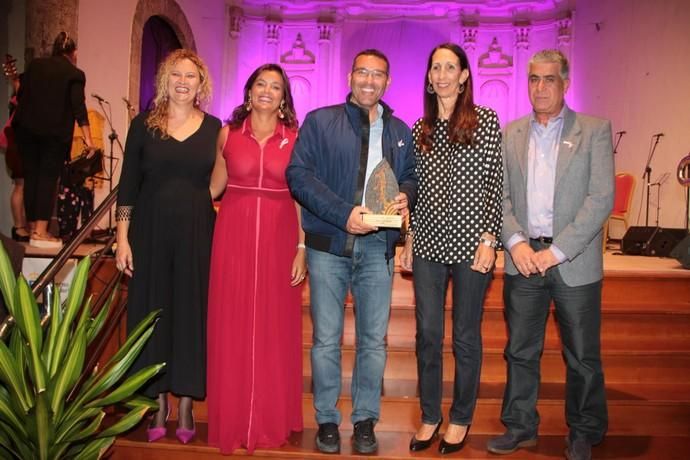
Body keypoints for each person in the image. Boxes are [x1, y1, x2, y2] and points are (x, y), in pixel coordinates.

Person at [286, 49, 417, 455]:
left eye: (378, 74)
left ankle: (364, 420)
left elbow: (410, 177)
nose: (369, 80)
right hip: (329, 247)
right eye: (362, 72)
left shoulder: (399, 129)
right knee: (326, 340)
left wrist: (403, 196)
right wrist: (344, 215)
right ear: (350, 76)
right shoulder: (321, 121)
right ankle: (327, 419)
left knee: (373, 343)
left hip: (378, 247)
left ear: (388, 82)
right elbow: (298, 176)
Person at [487, 49, 613, 460]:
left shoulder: (594, 130)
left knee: (582, 355)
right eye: (533, 80)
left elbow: (600, 199)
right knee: (520, 350)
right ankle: (520, 426)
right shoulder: (511, 133)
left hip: (573, 262)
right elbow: (498, 197)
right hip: (524, 259)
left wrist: (556, 251)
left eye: (549, 80)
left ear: (565, 83)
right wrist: (517, 242)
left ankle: (584, 430)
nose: (539, 88)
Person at [400, 43, 502, 455]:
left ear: (463, 76)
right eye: (435, 67)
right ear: (428, 76)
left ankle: (460, 418)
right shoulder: (419, 129)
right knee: (427, 334)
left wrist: (489, 240)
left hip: (470, 245)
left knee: (464, 336)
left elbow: (494, 186)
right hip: (427, 243)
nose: (441, 74)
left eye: (450, 67)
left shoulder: (485, 122)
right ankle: (430, 416)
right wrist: (407, 240)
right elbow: (416, 193)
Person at [115, 48, 220, 444]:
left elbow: (221, 179)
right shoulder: (143, 125)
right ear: (165, 80)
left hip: (197, 232)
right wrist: (122, 239)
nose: (183, 81)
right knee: (154, 312)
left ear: (201, 84)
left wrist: (200, 202)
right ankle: (158, 399)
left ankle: (189, 399)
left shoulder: (214, 128)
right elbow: (127, 185)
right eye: (176, 74)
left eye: (191, 76)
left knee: (192, 312)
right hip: (150, 230)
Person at [206, 63, 305, 454]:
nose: (267, 90)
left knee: (274, 327)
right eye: (261, 84)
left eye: (276, 86)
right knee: (232, 324)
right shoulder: (227, 134)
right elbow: (214, 185)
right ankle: (233, 419)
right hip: (232, 237)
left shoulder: (295, 139)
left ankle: (270, 419)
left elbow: (301, 200)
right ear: (249, 92)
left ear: (284, 98)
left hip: (281, 240)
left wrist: (302, 248)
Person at [12, 31, 96, 248]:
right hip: (53, 134)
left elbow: (20, 96)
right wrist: (89, 140)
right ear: (73, 53)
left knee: (31, 177)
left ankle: (32, 228)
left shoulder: (35, 65)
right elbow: (79, 108)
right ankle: (40, 232)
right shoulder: (74, 73)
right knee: (47, 179)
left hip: (26, 131)